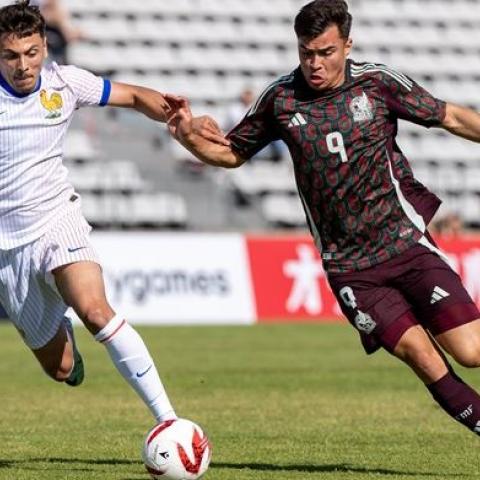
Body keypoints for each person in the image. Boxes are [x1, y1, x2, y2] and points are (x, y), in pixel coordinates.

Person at [167, 0, 480, 436]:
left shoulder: (376, 83)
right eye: (306, 52)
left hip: (405, 243)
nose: (315, 63)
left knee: (470, 350)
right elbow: (230, 153)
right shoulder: (280, 99)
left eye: (326, 52)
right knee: (423, 359)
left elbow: (449, 115)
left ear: (347, 45)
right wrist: (185, 136)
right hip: (351, 268)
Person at [0, 1, 225, 426]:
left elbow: (134, 95)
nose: (23, 66)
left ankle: (170, 422)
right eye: (11, 56)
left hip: (56, 220)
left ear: (44, 48)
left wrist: (175, 114)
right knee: (60, 368)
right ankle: (63, 340)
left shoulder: (65, 83)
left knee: (96, 311)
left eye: (31, 53)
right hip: (7, 250)